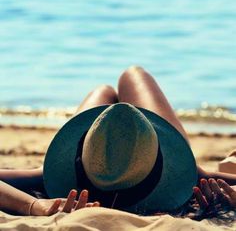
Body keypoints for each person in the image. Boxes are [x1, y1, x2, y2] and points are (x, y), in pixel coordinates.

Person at [1, 66, 236, 214]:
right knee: (133, 74)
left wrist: (34, 205)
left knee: (103, 93)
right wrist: (200, 175)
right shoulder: (193, 179)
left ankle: (109, 118)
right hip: (144, 170)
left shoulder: (46, 179)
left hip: (82, 174)